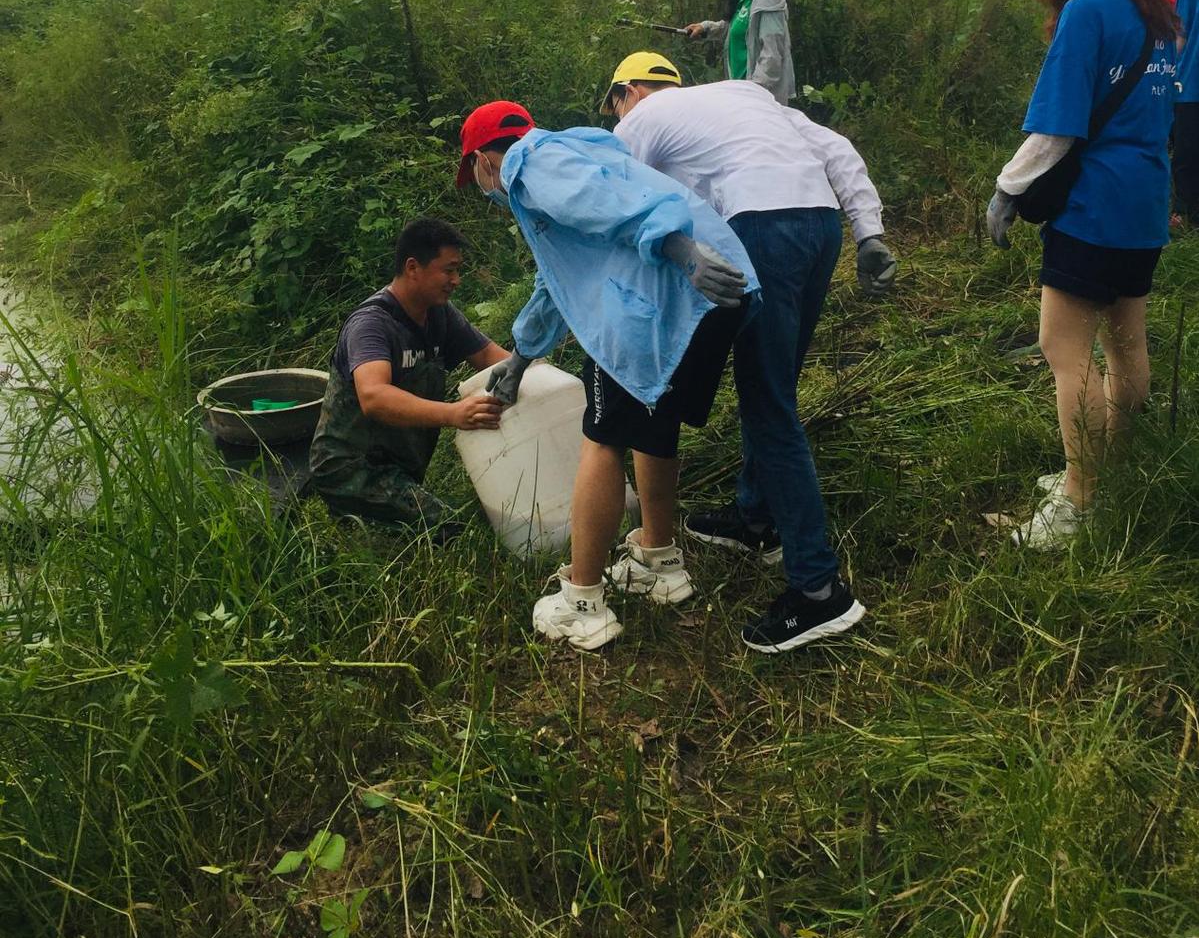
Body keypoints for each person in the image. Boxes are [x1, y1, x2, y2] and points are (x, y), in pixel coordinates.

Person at [604, 51, 896, 652]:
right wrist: (869, 232)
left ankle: (817, 591)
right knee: (776, 384)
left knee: (768, 406)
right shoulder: (744, 96)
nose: (616, 114)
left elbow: (610, 201)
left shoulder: (640, 120)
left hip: (762, 226)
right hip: (819, 225)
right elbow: (837, 150)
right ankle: (756, 518)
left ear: (625, 92)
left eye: (613, 103)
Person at [457, 98, 759, 651]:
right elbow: (559, 283)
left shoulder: (531, 163)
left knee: (602, 440)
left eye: (475, 174)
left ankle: (581, 600)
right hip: (713, 298)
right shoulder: (577, 156)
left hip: (665, 294)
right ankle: (658, 560)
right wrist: (521, 357)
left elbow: (615, 206)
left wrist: (681, 249)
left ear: (483, 161)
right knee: (653, 425)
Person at [986, 0, 1179, 549]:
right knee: (1125, 339)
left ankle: (1078, 498)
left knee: (1062, 349)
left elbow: (1057, 127)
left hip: (1094, 204)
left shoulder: (1087, 12)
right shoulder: (1156, 10)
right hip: (1146, 199)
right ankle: (1105, 467)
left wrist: (1006, 189)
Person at [307, 218, 509, 531]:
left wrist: (539, 375)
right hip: (352, 469)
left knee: (481, 517)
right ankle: (352, 520)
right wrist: (454, 413)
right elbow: (374, 396)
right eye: (449, 270)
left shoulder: (439, 314)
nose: (456, 280)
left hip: (399, 467)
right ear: (413, 267)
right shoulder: (372, 324)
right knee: (457, 531)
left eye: (458, 270)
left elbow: (487, 357)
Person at [1175, 0, 1199, 225]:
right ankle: (1183, 210)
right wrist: (1171, 71)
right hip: (1193, 83)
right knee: (1188, 151)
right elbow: (1181, 33)